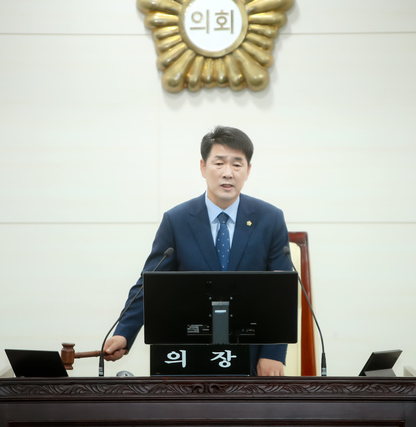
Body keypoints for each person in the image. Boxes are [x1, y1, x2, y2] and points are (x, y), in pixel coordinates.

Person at [103, 125, 292, 376]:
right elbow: (150, 283)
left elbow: (281, 293)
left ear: (248, 170)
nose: (228, 173)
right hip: (189, 354)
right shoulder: (177, 220)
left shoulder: (270, 219)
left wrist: (273, 354)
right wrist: (124, 332)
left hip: (252, 354)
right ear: (203, 167)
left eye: (237, 164)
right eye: (219, 163)